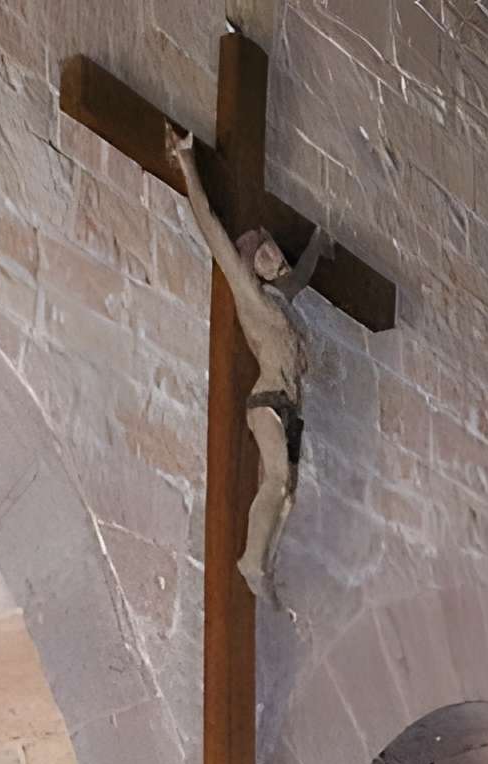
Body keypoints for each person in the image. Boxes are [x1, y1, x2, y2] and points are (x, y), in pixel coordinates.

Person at [168, 129, 328, 600]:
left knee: (289, 492)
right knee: (278, 479)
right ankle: (251, 564)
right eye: (260, 254)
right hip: (268, 401)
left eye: (273, 248)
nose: (271, 254)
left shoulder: (285, 303)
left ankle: (266, 567)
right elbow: (212, 228)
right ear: (251, 266)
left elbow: (300, 276)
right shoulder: (253, 298)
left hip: (291, 408)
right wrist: (187, 163)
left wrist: (322, 244)